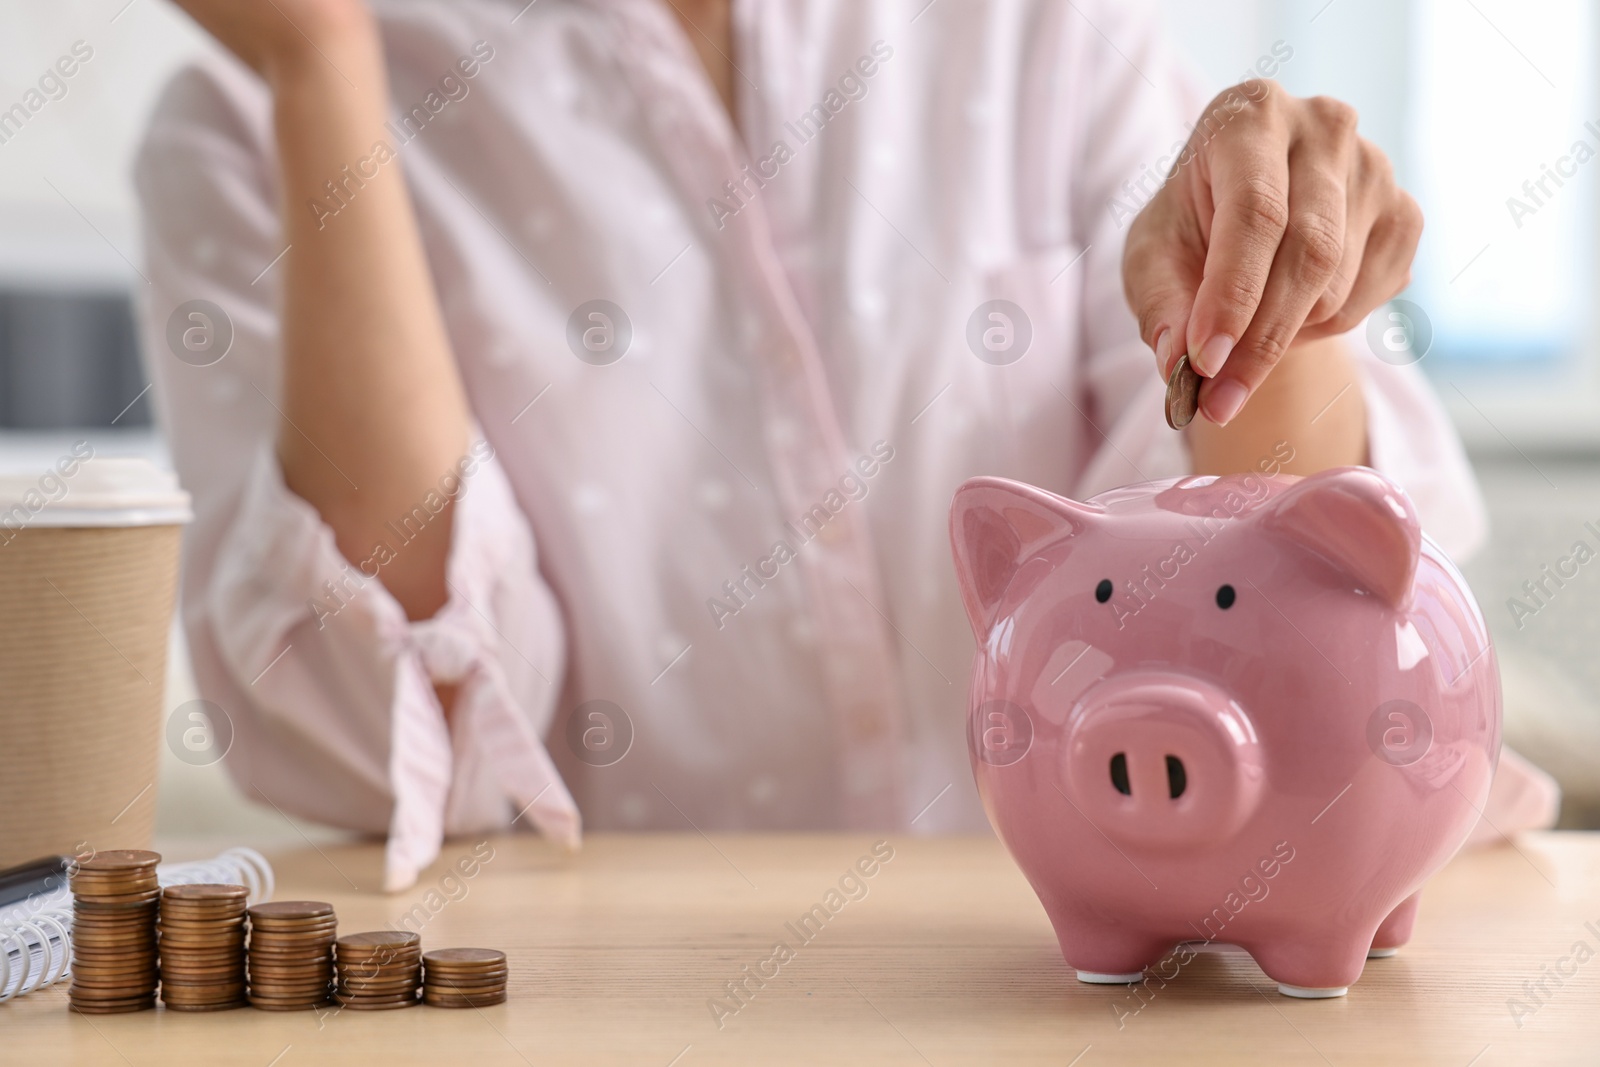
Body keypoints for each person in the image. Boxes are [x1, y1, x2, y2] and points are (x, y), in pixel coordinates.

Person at [137, 0, 1554, 891]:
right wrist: (322, 64)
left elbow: (1278, 615)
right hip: (616, 1022)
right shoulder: (246, 124)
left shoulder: (1037, 32)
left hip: (1095, 999)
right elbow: (412, 760)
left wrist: (1285, 281)